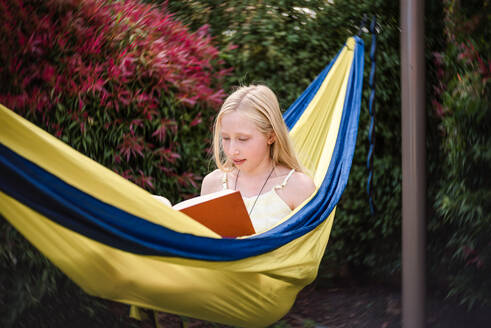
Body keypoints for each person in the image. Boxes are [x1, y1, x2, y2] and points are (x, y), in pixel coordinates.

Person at [201, 85, 316, 233]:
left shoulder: (298, 188)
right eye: (226, 138)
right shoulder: (212, 184)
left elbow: (305, 252)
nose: (231, 150)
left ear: (271, 136)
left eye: (243, 139)